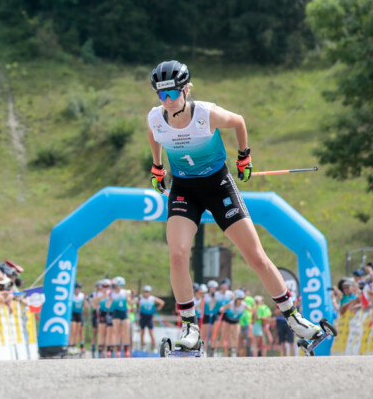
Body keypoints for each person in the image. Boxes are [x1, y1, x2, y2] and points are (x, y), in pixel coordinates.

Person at [146, 59, 323, 351]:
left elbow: (239, 121)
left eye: (172, 94)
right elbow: (155, 135)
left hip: (218, 186)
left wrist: (244, 157)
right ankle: (190, 326)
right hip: (184, 189)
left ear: (186, 90)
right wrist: (157, 166)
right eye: (161, 95)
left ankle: (294, 318)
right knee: (177, 255)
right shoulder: (155, 118)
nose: (166, 101)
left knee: (255, 256)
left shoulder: (206, 114)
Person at [136, 285, 164, 351]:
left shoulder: (152, 298)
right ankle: (143, 346)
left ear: (149, 292)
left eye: (147, 292)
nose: (146, 293)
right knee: (142, 333)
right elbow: (135, 304)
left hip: (149, 317)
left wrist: (157, 309)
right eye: (145, 292)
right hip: (143, 317)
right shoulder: (141, 299)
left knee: (151, 332)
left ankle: (154, 346)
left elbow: (162, 302)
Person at [110, 276, 131, 357]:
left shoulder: (125, 292)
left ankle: (126, 349)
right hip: (116, 312)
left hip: (124, 312)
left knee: (125, 331)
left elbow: (129, 302)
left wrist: (130, 299)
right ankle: (118, 349)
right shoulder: (112, 294)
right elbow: (108, 305)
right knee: (117, 331)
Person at [68, 282, 85, 355]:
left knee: (78, 331)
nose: (77, 290)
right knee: (73, 329)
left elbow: (84, 305)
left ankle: (74, 345)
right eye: (76, 288)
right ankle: (69, 346)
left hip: (79, 313)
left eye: (79, 289)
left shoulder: (82, 295)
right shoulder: (71, 296)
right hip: (73, 313)